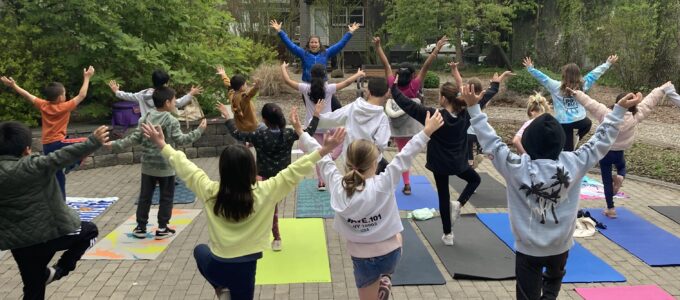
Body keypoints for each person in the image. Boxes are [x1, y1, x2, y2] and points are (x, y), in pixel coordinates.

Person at [460, 83, 641, 300]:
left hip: (528, 250)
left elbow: (491, 142)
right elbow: (600, 141)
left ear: (527, 143)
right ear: (561, 143)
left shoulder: (515, 166)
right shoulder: (575, 162)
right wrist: (618, 110)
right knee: (553, 282)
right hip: (560, 248)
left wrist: (474, 109)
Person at [139, 117, 345, 300]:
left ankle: (221, 288)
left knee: (200, 251)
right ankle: (224, 290)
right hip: (246, 268)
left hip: (218, 266)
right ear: (251, 169)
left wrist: (162, 144)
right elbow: (294, 171)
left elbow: (185, 167)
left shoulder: (210, 190)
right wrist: (324, 150)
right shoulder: (265, 191)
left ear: (222, 170)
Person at [317, 109, 444, 300]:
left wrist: (308, 137)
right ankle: (386, 277)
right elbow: (406, 155)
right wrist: (427, 131)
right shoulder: (384, 183)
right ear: (375, 164)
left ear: (347, 162)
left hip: (361, 257)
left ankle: (383, 281)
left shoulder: (337, 186)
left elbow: (322, 160)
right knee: (398, 235)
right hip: (390, 255)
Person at [390, 72, 508, 246]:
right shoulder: (466, 114)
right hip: (459, 163)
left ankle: (448, 235)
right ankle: (459, 204)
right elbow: (482, 100)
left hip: (440, 165)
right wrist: (495, 86)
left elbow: (408, 105)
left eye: (439, 95)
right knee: (475, 179)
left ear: (444, 99)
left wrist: (393, 87)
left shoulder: (434, 115)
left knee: (443, 197)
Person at [0, 122, 108, 300]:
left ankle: (46, 275)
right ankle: (61, 269)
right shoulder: (33, 166)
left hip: (19, 243)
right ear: (26, 149)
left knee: (33, 289)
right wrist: (92, 142)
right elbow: (60, 156)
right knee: (89, 231)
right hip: (51, 234)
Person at [218, 101, 323, 251]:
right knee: (271, 205)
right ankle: (272, 236)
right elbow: (309, 132)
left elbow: (237, 133)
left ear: (265, 120)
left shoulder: (259, 134)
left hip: (264, 179)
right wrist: (316, 114)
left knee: (270, 206)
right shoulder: (288, 134)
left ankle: (275, 237)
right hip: (284, 178)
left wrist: (228, 117)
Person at [107, 87, 206, 239]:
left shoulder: (145, 117)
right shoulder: (171, 120)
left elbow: (133, 139)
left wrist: (114, 144)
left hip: (147, 167)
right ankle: (162, 228)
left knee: (145, 197)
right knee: (166, 198)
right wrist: (199, 130)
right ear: (167, 103)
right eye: (174, 101)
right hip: (166, 167)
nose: (175, 104)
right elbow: (181, 140)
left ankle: (140, 227)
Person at [572, 82, 673, 218]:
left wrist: (576, 93)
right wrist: (661, 89)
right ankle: (620, 176)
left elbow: (590, 103)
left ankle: (611, 209)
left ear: (618, 103)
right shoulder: (635, 116)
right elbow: (649, 102)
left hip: (605, 152)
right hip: (619, 153)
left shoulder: (607, 114)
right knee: (621, 167)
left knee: (607, 181)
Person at [1, 66, 95, 200]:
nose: (65, 95)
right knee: (89, 142)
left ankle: (60, 201)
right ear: (60, 98)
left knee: (58, 176)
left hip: (47, 145)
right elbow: (82, 95)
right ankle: (71, 164)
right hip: (58, 142)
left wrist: (14, 85)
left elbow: (27, 94)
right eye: (64, 93)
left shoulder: (43, 105)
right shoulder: (64, 107)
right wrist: (87, 77)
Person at [374, 36, 447, 194]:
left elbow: (386, 64)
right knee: (410, 152)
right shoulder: (414, 85)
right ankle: (408, 182)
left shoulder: (393, 82)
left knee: (402, 153)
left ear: (398, 74)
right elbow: (426, 66)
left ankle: (406, 184)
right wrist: (437, 49)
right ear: (413, 75)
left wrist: (378, 46)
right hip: (413, 125)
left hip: (397, 125)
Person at [281, 61, 364, 190]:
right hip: (328, 124)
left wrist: (283, 68)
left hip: (312, 126)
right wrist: (358, 74)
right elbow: (347, 82)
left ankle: (321, 182)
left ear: (311, 75)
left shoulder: (305, 88)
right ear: (325, 75)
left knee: (319, 153)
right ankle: (331, 156)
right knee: (345, 136)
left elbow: (287, 81)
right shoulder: (328, 88)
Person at [523, 55, 618, 151]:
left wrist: (530, 68)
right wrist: (608, 63)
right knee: (588, 123)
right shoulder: (583, 85)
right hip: (580, 120)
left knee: (568, 149)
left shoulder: (555, 86)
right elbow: (595, 74)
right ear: (578, 75)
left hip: (563, 122)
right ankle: (577, 137)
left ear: (564, 75)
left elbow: (543, 78)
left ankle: (568, 151)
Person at [270, 19, 360, 111]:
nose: (314, 44)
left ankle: (334, 123)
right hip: (308, 86)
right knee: (312, 110)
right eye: (311, 42)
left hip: (323, 86)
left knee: (336, 108)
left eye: (316, 42)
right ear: (308, 44)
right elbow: (290, 45)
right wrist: (280, 31)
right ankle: (314, 124)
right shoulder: (303, 53)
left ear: (319, 44)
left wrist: (350, 32)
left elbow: (340, 44)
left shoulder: (326, 53)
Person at [317, 77, 391, 174]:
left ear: (367, 91)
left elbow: (331, 118)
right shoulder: (382, 117)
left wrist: (314, 120)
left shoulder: (353, 107)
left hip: (350, 160)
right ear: (387, 93)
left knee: (351, 186)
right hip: (369, 163)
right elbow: (381, 143)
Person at [108, 70, 202, 116]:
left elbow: (129, 96)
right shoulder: (167, 95)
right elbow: (178, 103)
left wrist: (117, 91)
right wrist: (191, 93)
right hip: (162, 128)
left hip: (147, 129)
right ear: (166, 83)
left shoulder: (143, 94)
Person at [216, 66, 263, 132]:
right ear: (241, 87)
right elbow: (250, 94)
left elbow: (228, 83)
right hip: (251, 127)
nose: (246, 85)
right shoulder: (243, 97)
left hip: (240, 126)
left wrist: (223, 74)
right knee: (265, 128)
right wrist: (256, 87)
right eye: (245, 84)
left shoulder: (231, 93)